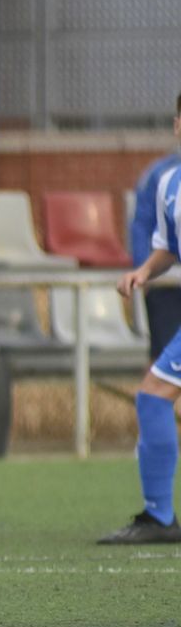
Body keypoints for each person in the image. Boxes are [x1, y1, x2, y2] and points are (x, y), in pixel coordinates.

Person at [107, 149, 181, 545]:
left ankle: (159, 517)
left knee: (154, 394)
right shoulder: (168, 183)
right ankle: (159, 517)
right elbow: (169, 246)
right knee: (155, 396)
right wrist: (144, 270)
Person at [129, 94, 181, 360]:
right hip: (167, 286)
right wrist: (144, 271)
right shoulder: (158, 175)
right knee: (166, 366)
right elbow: (141, 225)